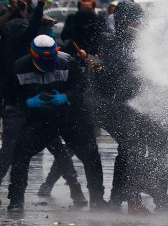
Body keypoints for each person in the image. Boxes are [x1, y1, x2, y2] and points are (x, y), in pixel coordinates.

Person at [4, 35, 106, 211]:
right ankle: (15, 200)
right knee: (20, 154)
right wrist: (29, 102)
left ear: (56, 53)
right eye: (43, 59)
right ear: (32, 54)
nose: (47, 63)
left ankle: (97, 199)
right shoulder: (19, 67)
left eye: (51, 58)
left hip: (70, 116)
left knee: (91, 155)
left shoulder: (67, 62)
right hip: (40, 119)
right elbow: (10, 97)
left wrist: (65, 97)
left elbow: (81, 86)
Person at [97, 0, 168, 214]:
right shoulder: (112, 41)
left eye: (138, 18)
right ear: (122, 21)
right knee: (133, 152)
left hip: (147, 104)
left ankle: (145, 191)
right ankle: (133, 201)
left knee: (156, 146)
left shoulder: (144, 40)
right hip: (125, 105)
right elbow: (114, 68)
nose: (137, 22)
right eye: (132, 19)